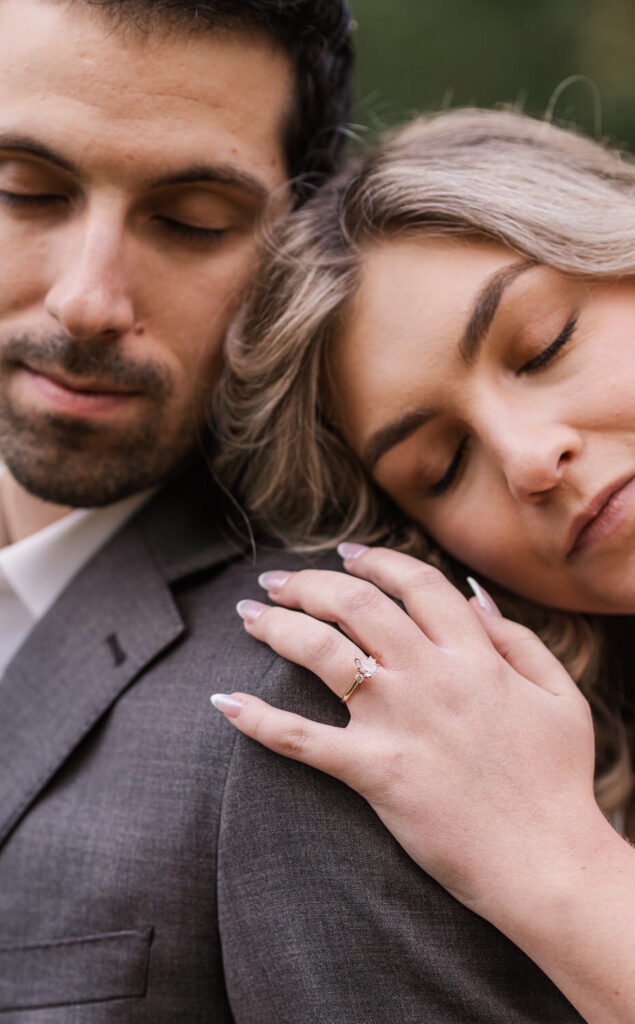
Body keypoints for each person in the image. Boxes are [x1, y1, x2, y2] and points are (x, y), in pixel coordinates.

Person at [211, 107, 635, 1024]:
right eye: (441, 467)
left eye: (543, 345)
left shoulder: (551, 824)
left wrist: (548, 859)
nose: (524, 459)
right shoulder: (631, 769)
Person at [0, 0, 367, 1019]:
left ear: (299, 250)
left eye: (191, 220)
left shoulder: (313, 683)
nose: (86, 299)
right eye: (23, 191)